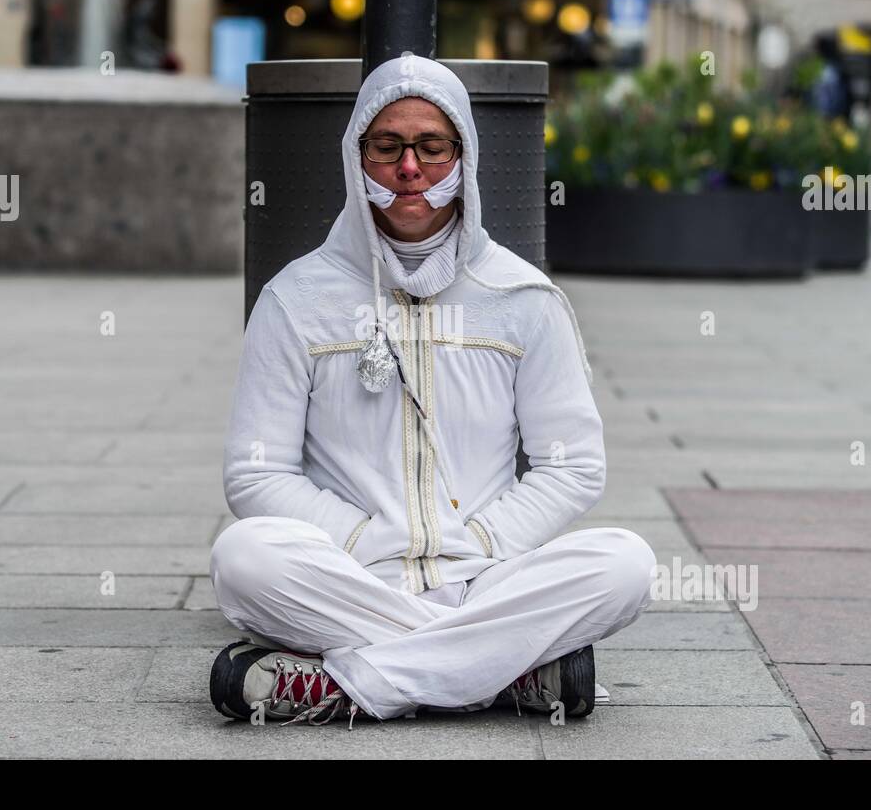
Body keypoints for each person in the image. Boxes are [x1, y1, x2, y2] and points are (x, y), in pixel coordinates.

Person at [208, 52, 657, 728]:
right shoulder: (296, 297)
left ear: (465, 156)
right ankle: (503, 671)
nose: (409, 168)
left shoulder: (523, 297)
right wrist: (362, 539)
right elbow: (256, 470)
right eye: (387, 146)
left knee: (627, 563)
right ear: (356, 157)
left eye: (431, 147)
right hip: (354, 574)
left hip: (488, 576)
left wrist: (478, 539)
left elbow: (572, 464)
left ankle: (345, 683)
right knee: (243, 558)